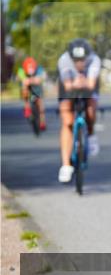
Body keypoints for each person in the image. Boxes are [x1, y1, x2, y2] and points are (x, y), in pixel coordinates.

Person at [56, 39, 100, 183]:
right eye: (76, 60)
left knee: (91, 110)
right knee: (67, 121)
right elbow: (68, 86)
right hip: (69, 86)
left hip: (88, 87)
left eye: (82, 60)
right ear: (71, 57)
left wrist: (84, 83)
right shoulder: (64, 60)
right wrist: (77, 83)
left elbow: (91, 84)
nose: (80, 63)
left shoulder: (94, 60)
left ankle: (91, 133)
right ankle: (66, 165)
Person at [17, 56, 46, 131]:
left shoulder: (39, 69)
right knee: (24, 87)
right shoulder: (21, 70)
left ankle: (42, 122)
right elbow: (19, 78)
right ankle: (27, 107)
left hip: (37, 87)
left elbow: (43, 77)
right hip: (27, 87)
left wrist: (37, 80)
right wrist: (24, 80)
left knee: (40, 103)